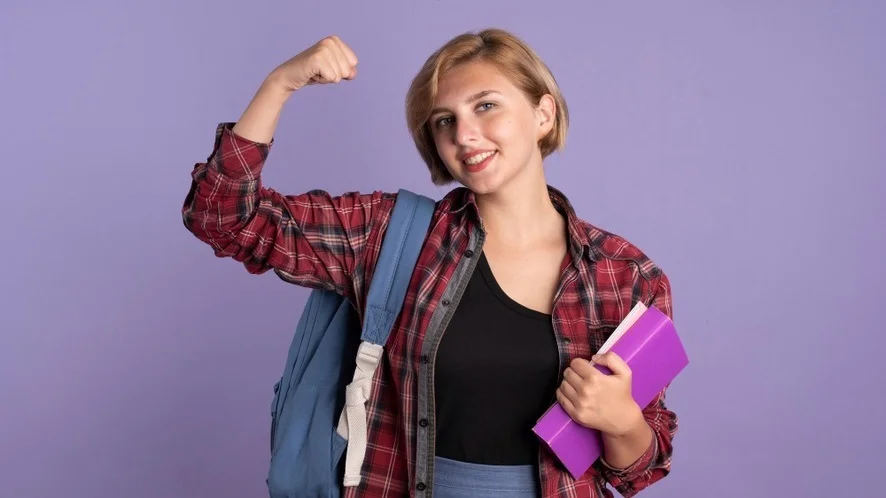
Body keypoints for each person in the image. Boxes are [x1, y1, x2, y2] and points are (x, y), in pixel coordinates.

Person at [182, 28, 677, 498]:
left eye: (486, 106)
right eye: (445, 120)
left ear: (543, 113)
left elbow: (640, 469)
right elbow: (223, 216)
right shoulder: (391, 235)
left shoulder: (625, 275)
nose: (465, 134)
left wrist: (623, 423)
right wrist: (280, 83)